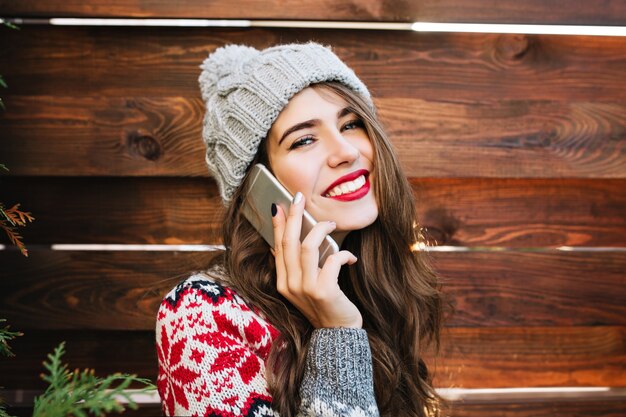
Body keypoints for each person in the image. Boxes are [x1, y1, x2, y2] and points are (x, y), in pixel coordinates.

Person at [156, 42, 448, 417]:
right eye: (304, 139)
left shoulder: (376, 285)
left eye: (351, 124)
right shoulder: (200, 316)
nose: (345, 150)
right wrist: (338, 336)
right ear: (258, 190)